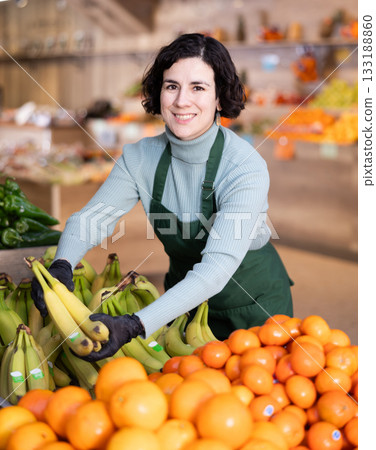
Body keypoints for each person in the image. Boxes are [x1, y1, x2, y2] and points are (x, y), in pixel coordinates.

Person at [32, 33, 293, 361]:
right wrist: (62, 263)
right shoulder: (139, 157)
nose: (182, 101)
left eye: (198, 87)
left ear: (219, 97)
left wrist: (134, 325)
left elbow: (215, 268)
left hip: (255, 308)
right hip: (183, 304)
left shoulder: (244, 166)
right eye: (172, 86)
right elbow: (90, 219)